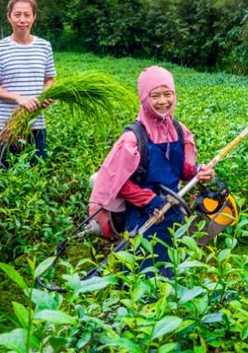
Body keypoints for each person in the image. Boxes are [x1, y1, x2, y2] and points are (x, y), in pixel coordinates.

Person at [88, 66, 213, 277]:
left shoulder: (178, 129)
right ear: (144, 98)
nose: (163, 101)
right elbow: (117, 182)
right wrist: (149, 200)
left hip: (173, 212)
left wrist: (197, 173)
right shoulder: (134, 137)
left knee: (173, 268)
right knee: (141, 270)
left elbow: (181, 170)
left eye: (168, 94)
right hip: (143, 215)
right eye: (155, 95)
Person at [0, 0, 56, 167]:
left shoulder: (44, 46)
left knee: (36, 174)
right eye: (17, 15)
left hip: (36, 124)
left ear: (34, 17)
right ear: (9, 17)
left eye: (27, 15)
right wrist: (19, 98)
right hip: (6, 125)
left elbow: (50, 79)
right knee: (4, 174)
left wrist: (46, 95)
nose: (22, 20)